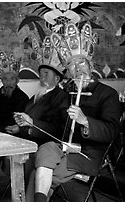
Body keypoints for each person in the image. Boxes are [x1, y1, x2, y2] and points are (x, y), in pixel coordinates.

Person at [25, 22, 121, 202]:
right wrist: (32, 123)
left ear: (90, 66)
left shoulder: (108, 94)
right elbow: (55, 129)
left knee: (39, 174)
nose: (77, 68)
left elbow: (111, 132)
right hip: (62, 148)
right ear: (67, 72)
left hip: (88, 153)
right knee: (45, 149)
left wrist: (85, 121)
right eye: (71, 65)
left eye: (81, 62)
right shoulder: (65, 94)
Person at [0, 51, 29, 133]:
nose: (9, 83)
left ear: (17, 81)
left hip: (12, 133)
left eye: (12, 79)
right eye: (5, 79)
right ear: (2, 81)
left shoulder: (23, 98)